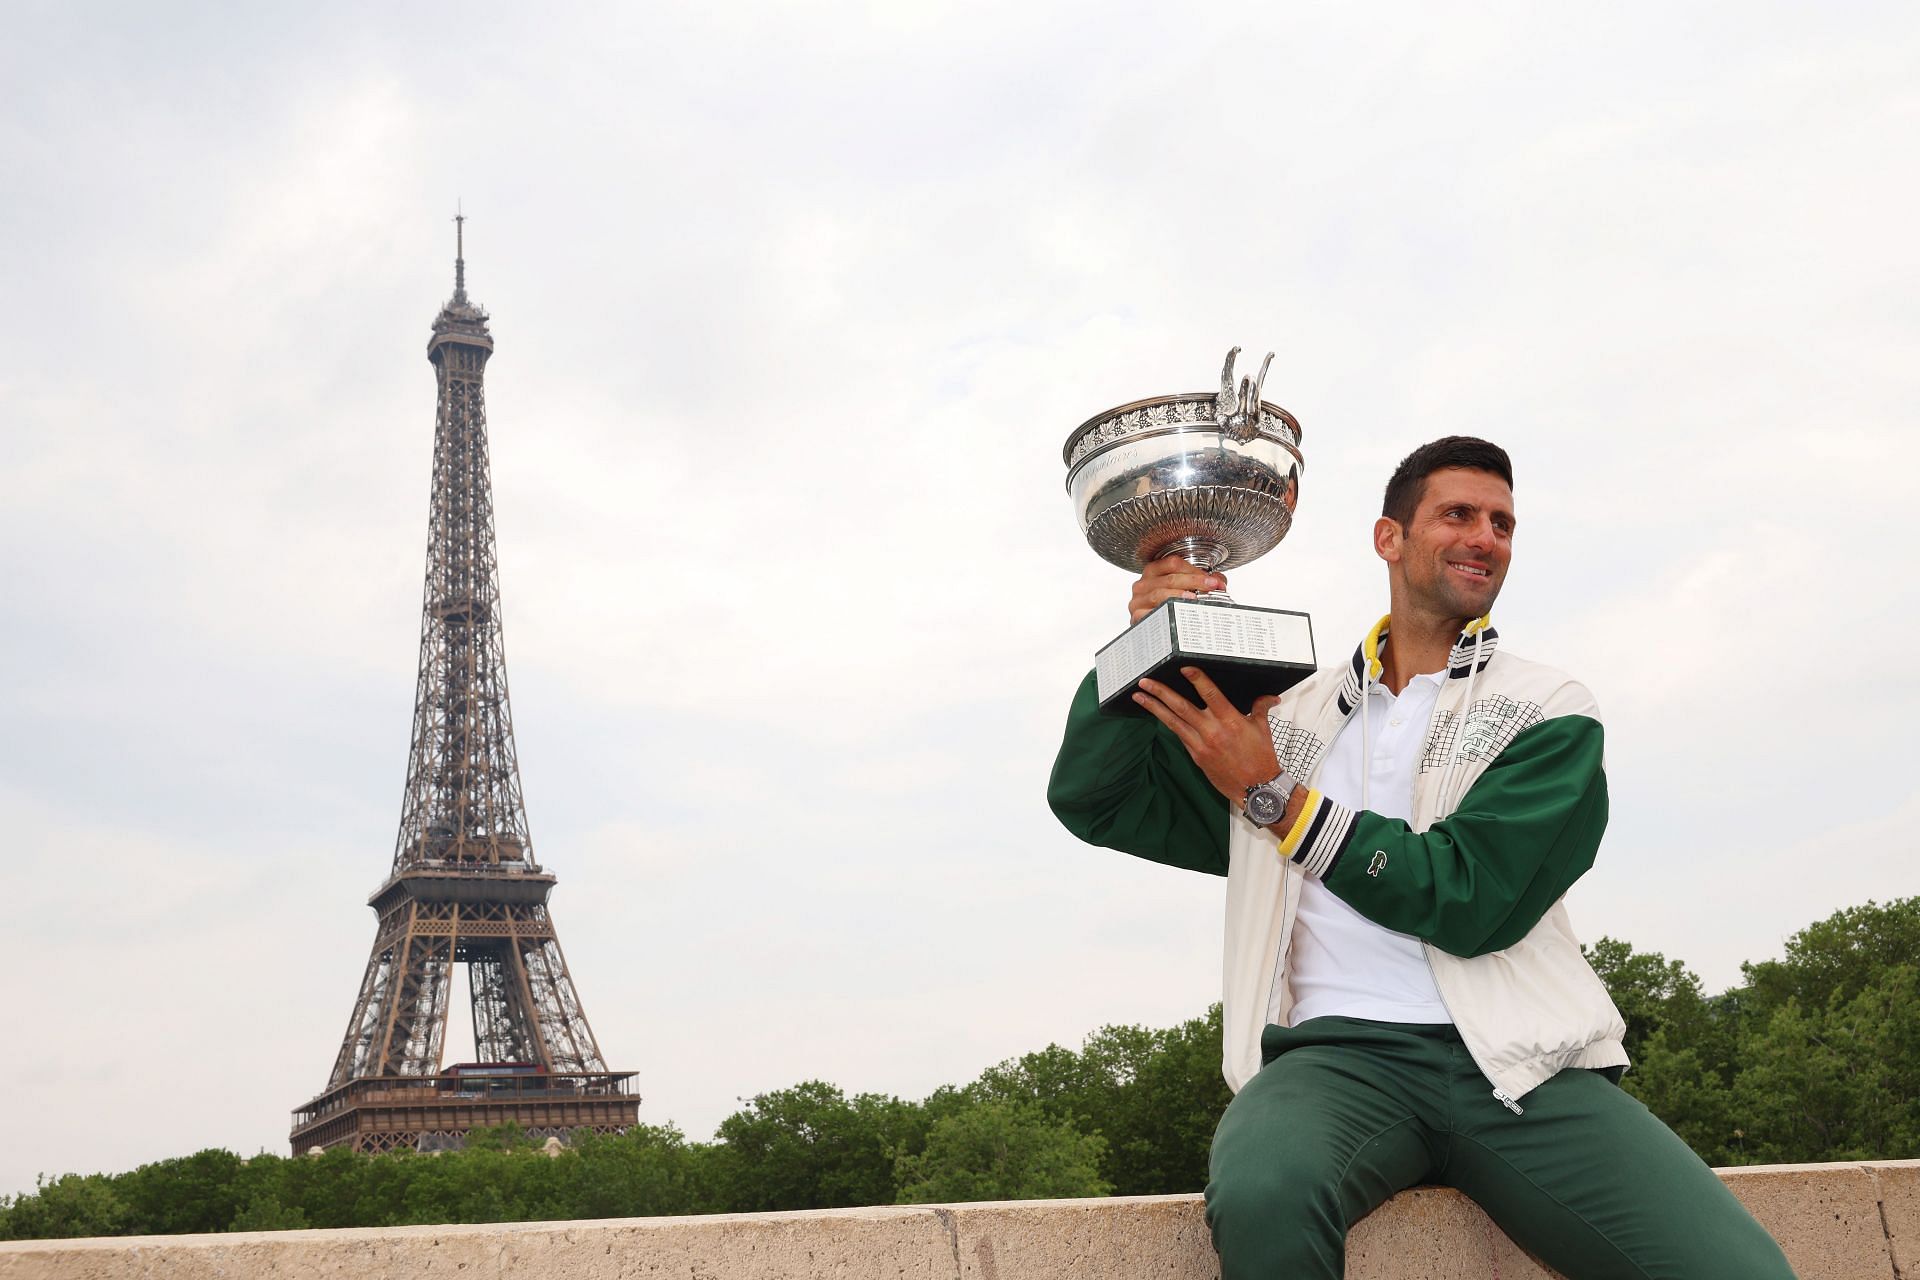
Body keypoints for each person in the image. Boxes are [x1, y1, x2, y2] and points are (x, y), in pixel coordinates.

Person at [1046, 437, 1794, 1279]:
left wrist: (1279, 802)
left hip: (1522, 1068)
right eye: (1459, 514)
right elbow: (1098, 797)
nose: (1486, 537)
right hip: (1335, 1061)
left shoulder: (1547, 708)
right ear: (1389, 539)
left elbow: (1471, 901)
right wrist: (1145, 639)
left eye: (1503, 523)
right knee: (1265, 1195)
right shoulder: (1286, 715)